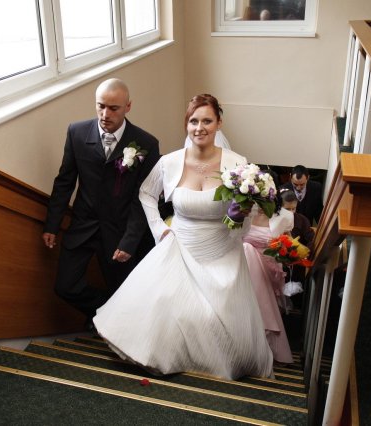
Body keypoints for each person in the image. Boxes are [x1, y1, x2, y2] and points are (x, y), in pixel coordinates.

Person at [94, 94, 274, 380]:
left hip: (222, 251)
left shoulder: (237, 164)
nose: (199, 128)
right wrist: (160, 229)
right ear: (186, 124)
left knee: (216, 319)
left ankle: (214, 366)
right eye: (193, 121)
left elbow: (244, 224)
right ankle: (175, 361)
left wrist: (240, 217)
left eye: (207, 121)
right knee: (169, 309)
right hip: (180, 246)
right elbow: (146, 193)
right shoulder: (170, 162)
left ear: (219, 123)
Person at [43, 78, 160, 332]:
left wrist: (129, 241)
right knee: (65, 286)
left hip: (119, 232)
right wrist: (52, 224)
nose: (105, 114)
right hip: (82, 225)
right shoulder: (76, 132)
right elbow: (65, 181)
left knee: (125, 291)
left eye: (113, 108)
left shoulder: (147, 144)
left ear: (128, 107)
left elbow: (144, 198)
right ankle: (104, 309)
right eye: (100, 106)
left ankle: (118, 324)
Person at [243, 204, 295, 365]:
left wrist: (290, 254)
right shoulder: (244, 209)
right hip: (244, 267)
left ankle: (263, 347)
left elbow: (290, 243)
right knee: (247, 249)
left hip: (269, 267)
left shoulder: (285, 216)